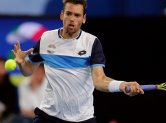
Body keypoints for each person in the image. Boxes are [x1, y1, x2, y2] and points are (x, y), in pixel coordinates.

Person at [12, 0, 144, 123]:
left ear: (84, 19)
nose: (72, 19)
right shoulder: (46, 38)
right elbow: (28, 71)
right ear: (62, 15)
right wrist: (21, 63)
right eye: (68, 14)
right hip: (48, 115)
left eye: (77, 15)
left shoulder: (91, 42)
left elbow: (99, 81)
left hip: (82, 118)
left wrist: (122, 85)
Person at [0, 57, 19, 122]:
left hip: (7, 115)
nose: (1, 68)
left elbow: (12, 107)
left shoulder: (11, 86)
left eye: (2, 66)